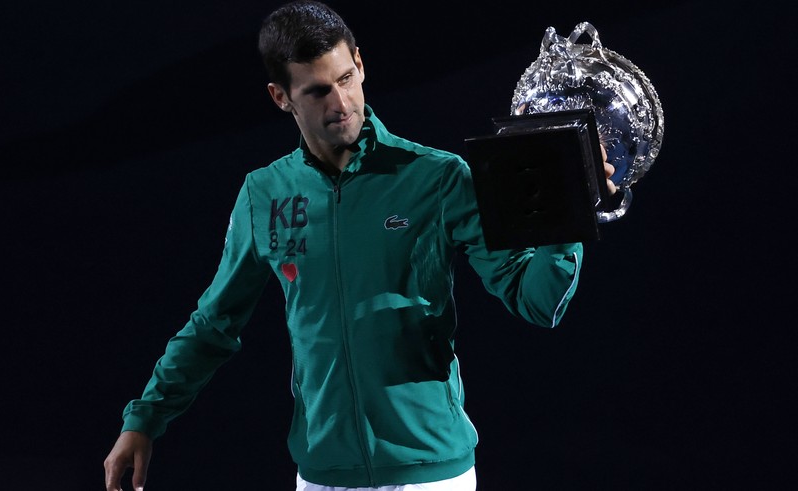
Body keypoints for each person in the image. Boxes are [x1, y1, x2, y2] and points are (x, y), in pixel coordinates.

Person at [104, 2, 616, 490]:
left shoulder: (436, 177)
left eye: (346, 79)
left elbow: (537, 301)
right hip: (323, 475)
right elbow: (214, 324)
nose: (341, 103)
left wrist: (568, 218)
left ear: (361, 64)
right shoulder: (264, 194)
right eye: (317, 91)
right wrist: (145, 418)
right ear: (281, 97)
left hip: (431, 475)